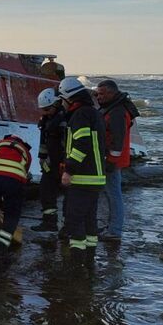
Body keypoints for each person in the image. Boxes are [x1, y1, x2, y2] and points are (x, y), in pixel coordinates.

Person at [58, 77, 107, 270]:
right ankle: (89, 260)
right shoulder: (93, 113)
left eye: (62, 99)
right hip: (95, 177)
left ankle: (76, 262)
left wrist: (68, 170)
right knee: (89, 220)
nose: (61, 103)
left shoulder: (79, 115)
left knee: (74, 219)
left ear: (68, 98)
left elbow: (81, 145)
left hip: (83, 177)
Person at [94, 79, 140, 242]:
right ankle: (112, 227)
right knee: (110, 194)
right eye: (97, 93)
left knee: (114, 195)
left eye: (101, 94)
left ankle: (114, 231)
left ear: (111, 93)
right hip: (111, 158)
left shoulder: (117, 112)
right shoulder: (113, 108)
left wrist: (111, 161)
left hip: (113, 160)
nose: (98, 97)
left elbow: (117, 139)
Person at [0, 134, 32, 251]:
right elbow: (24, 174)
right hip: (14, 181)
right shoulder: (26, 152)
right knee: (12, 214)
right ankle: (0, 246)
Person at [31, 88, 67, 232]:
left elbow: (67, 143)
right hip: (50, 162)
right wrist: (42, 158)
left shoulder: (64, 120)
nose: (44, 113)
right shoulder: (47, 120)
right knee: (46, 190)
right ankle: (49, 223)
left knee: (68, 195)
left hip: (62, 162)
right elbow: (44, 142)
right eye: (43, 110)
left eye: (47, 109)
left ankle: (66, 225)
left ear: (56, 104)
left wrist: (66, 162)